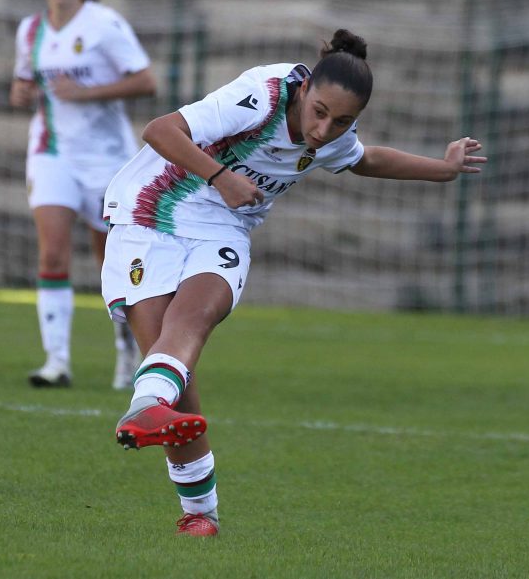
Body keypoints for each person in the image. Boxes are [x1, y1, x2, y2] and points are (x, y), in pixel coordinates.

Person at [102, 29, 486, 536]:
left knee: (193, 321)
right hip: (147, 213)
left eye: (343, 121)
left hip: (223, 229)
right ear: (305, 91)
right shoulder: (262, 93)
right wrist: (221, 176)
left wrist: (444, 169)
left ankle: (157, 431)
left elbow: (363, 159)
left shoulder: (334, 137)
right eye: (320, 112)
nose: (325, 130)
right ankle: (199, 508)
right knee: (176, 379)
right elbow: (160, 130)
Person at [10, 0, 155, 390]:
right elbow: (23, 82)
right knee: (52, 251)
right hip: (52, 151)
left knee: (111, 261)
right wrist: (20, 94)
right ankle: (56, 361)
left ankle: (127, 353)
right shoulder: (30, 31)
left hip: (108, 159)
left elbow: (146, 81)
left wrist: (85, 93)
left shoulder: (104, 24)